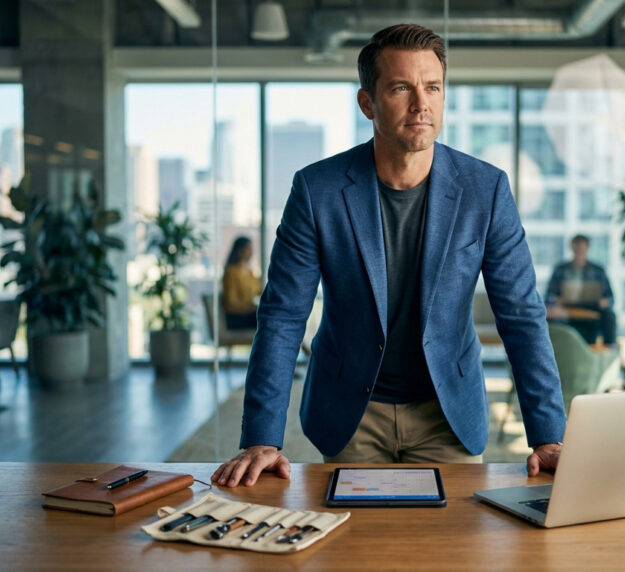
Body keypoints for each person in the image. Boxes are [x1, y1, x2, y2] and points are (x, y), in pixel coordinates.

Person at [212, 24, 565, 487]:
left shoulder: (486, 189)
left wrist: (548, 435)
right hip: (352, 412)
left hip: (448, 412)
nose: (421, 104)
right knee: (353, 550)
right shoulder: (318, 190)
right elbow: (282, 315)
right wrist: (261, 437)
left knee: (449, 553)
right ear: (367, 103)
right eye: (401, 87)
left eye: (432, 87)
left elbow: (520, 314)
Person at [544, 234, 616, 344]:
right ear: (572, 247)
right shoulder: (560, 269)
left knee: (610, 316)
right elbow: (548, 296)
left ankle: (609, 349)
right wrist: (557, 300)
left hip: (592, 308)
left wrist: (604, 302)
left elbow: (610, 298)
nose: (580, 250)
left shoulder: (598, 270)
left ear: (587, 247)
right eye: (577, 246)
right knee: (548, 316)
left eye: (582, 247)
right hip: (566, 310)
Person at [221, 236, 262, 330]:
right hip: (236, 318)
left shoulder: (250, 272)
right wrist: (250, 308)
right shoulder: (231, 272)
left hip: (249, 314)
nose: (251, 252)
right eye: (248, 249)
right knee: (269, 318)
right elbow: (231, 304)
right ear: (239, 251)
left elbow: (258, 292)